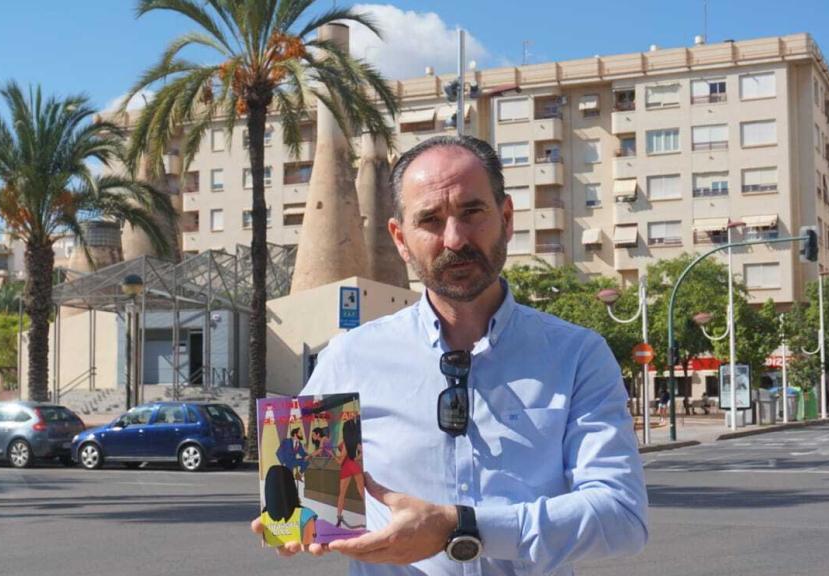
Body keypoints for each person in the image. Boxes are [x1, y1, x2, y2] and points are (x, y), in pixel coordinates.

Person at [251, 135, 647, 574]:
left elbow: (620, 516)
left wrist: (460, 527)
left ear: (507, 217)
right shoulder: (351, 356)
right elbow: (301, 494)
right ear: (400, 240)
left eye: (471, 212)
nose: (455, 238)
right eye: (431, 220)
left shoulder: (577, 355)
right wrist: (295, 517)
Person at [260, 464, 318, 547]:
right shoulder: (306, 515)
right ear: (292, 487)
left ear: (268, 489)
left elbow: (266, 542)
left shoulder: (264, 516)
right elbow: (309, 544)